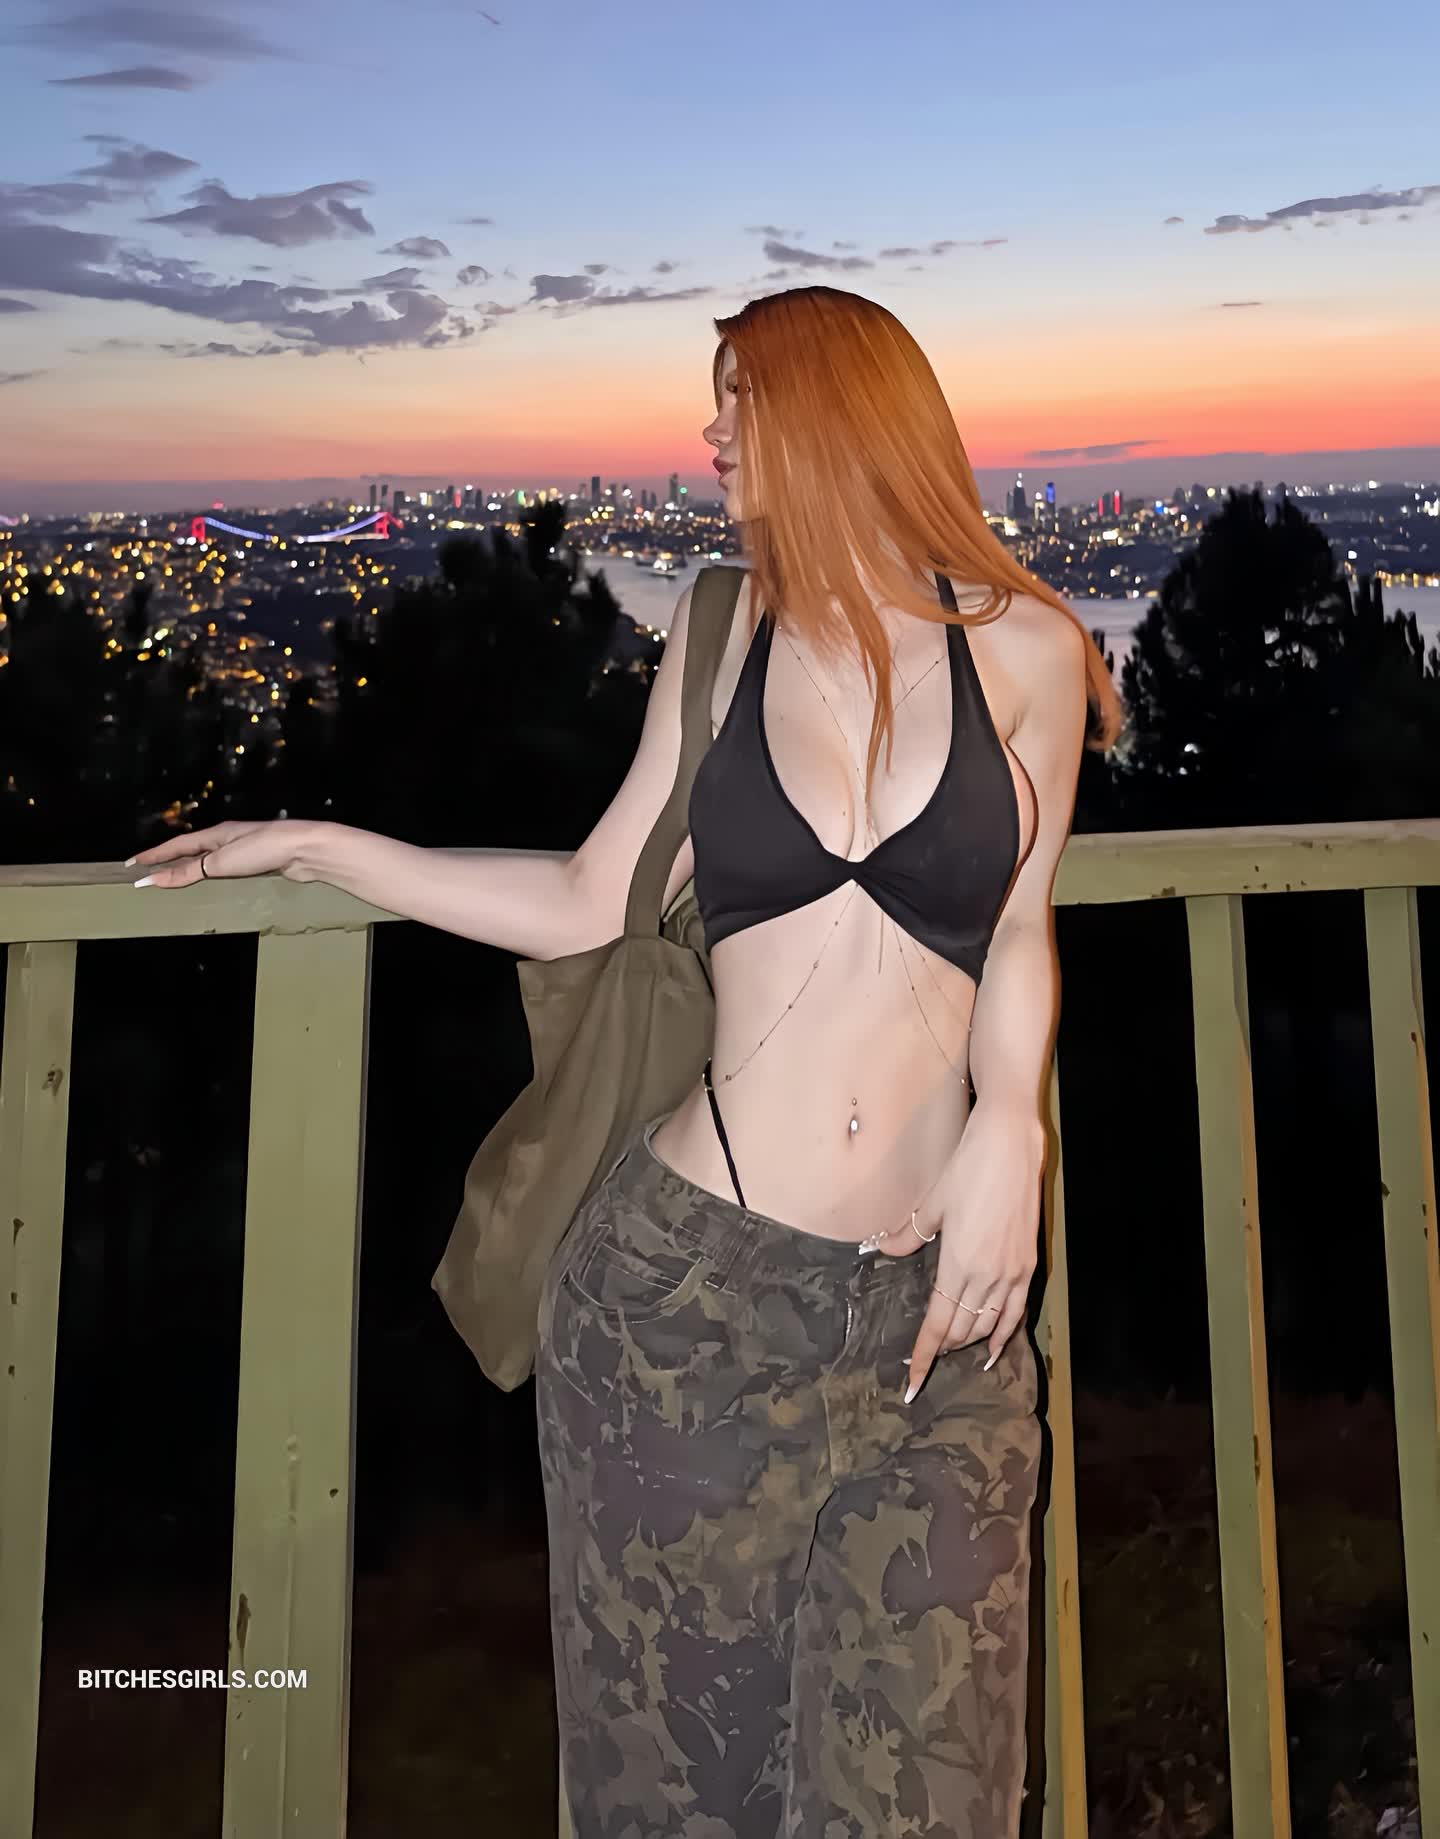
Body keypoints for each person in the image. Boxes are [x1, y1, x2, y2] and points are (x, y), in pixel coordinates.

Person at [129, 284, 1123, 1837]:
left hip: (943, 1331)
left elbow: (1017, 928)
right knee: (677, 1806)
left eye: (739, 396)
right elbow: (594, 895)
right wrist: (321, 846)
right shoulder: (720, 631)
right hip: (687, 1308)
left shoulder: (1034, 651)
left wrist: (1015, 1129)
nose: (710, 430)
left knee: (939, 1803)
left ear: (842, 412)